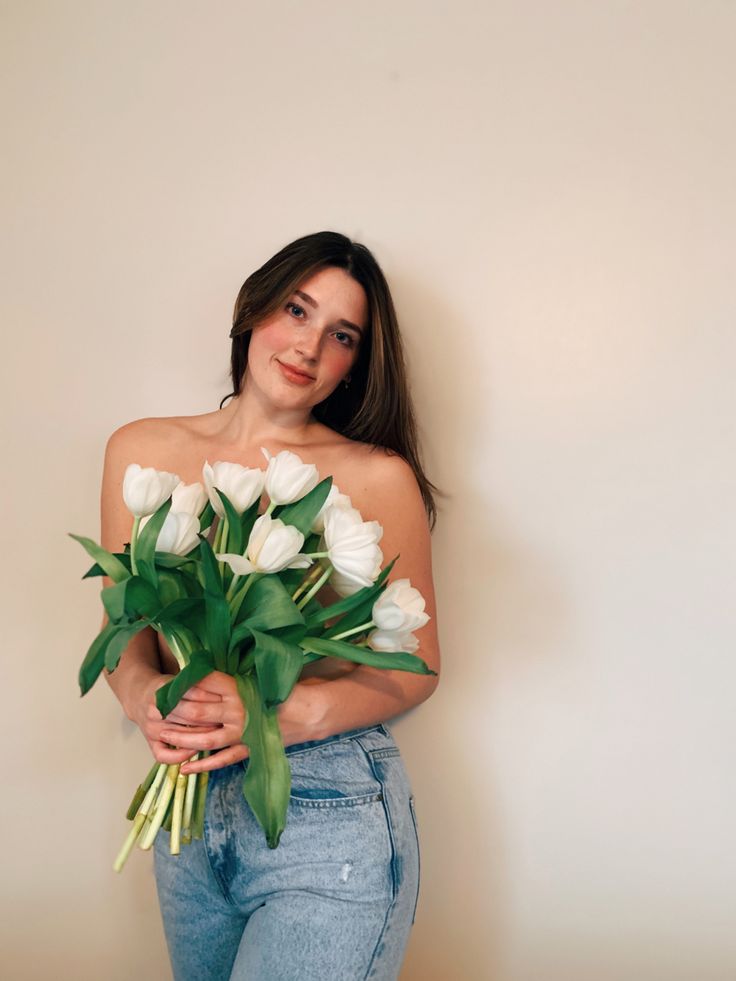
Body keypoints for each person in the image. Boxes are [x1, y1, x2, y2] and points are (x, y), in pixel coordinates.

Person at [101, 230, 441, 980]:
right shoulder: (139, 453)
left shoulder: (378, 477)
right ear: (254, 307)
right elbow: (123, 631)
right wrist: (146, 695)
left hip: (328, 806)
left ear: (355, 362)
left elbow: (416, 666)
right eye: (296, 309)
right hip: (186, 820)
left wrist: (280, 716)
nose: (309, 345)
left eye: (341, 334)